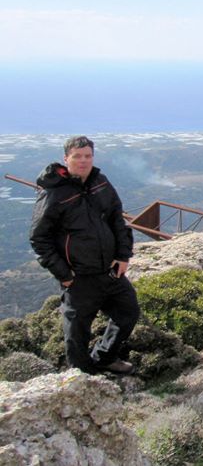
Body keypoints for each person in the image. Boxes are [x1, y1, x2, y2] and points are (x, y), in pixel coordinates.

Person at [29, 136, 139, 375]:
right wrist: (64, 274)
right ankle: (82, 377)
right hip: (78, 276)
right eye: (77, 156)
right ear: (65, 158)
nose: (83, 161)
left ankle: (104, 358)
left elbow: (116, 219)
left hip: (110, 269)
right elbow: (39, 238)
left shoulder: (100, 182)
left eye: (87, 155)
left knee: (128, 312)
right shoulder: (53, 193)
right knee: (77, 332)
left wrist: (123, 256)